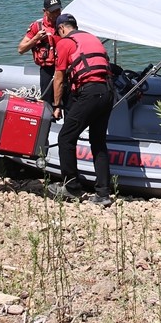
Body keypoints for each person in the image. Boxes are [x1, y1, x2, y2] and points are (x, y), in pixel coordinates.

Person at [47, 13, 114, 208]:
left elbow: (59, 77)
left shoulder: (65, 43)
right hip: (108, 92)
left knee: (66, 137)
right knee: (98, 142)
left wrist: (57, 105)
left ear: (61, 29)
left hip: (90, 93)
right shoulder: (92, 38)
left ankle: (72, 187)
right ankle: (103, 193)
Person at [17, 0, 62, 101]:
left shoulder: (65, 24)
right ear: (45, 11)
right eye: (53, 11)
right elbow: (21, 49)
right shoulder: (37, 27)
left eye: (58, 10)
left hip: (63, 67)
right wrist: (35, 39)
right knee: (47, 101)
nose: (56, 14)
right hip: (47, 69)